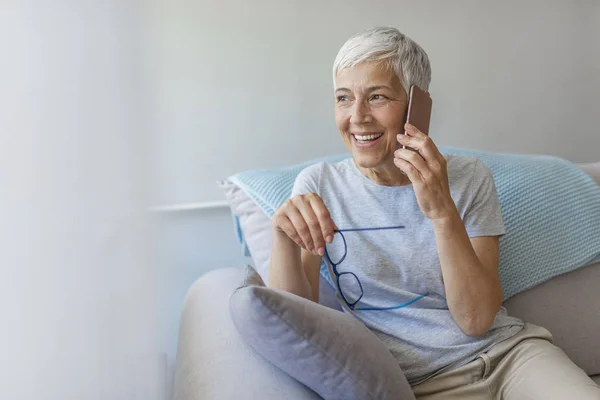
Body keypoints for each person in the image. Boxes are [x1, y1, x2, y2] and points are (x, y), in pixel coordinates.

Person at [267, 27, 600, 399]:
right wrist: (282, 238)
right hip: (417, 384)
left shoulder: (468, 177)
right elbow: (292, 320)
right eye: (344, 98)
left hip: (510, 358)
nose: (357, 117)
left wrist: (442, 211)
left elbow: (475, 319)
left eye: (377, 97)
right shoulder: (319, 185)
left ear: (416, 105)